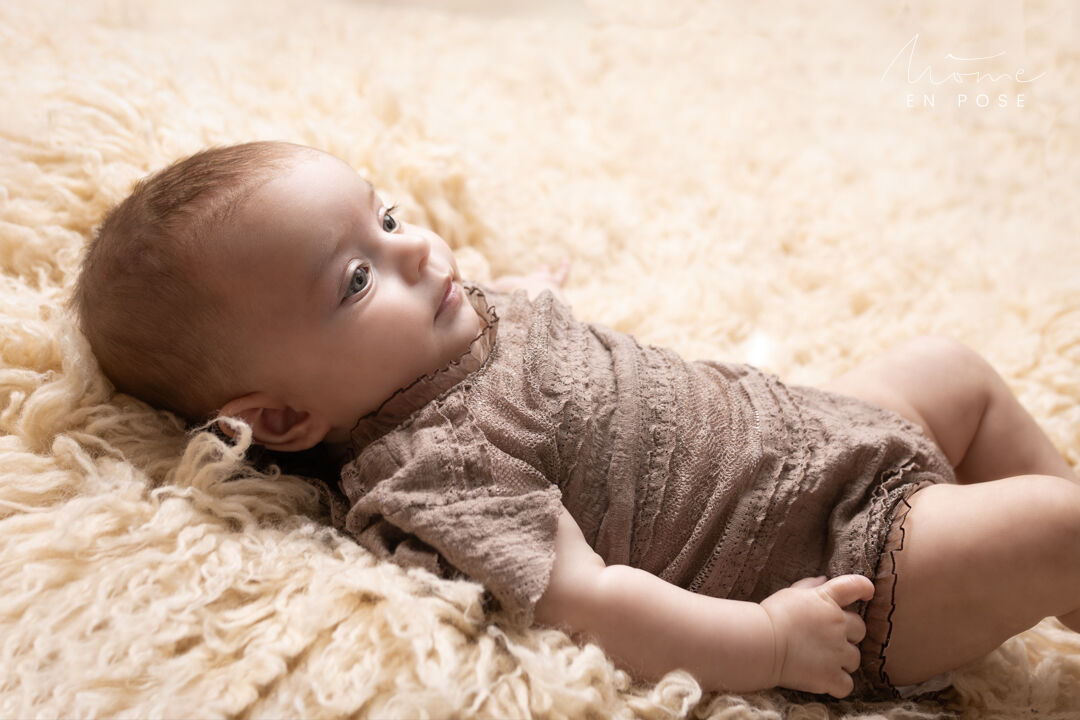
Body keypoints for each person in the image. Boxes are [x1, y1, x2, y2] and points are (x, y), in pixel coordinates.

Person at [71, 140, 1080, 701]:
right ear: (284, 416)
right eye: (359, 277)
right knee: (1050, 527)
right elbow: (588, 600)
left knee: (953, 371)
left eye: (384, 215)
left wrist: (522, 288)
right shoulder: (433, 473)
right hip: (839, 558)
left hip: (825, 436)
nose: (417, 248)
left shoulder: (459, 317)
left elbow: (512, 306)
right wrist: (770, 645)